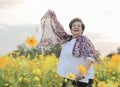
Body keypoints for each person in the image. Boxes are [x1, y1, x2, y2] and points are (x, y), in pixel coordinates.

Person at [37, 10, 98, 87]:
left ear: (82, 30)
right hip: (69, 76)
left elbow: (91, 58)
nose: (76, 27)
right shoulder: (67, 40)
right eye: (74, 25)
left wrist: (82, 72)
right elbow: (58, 30)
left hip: (82, 78)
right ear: (71, 29)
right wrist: (53, 18)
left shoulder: (85, 41)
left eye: (79, 26)